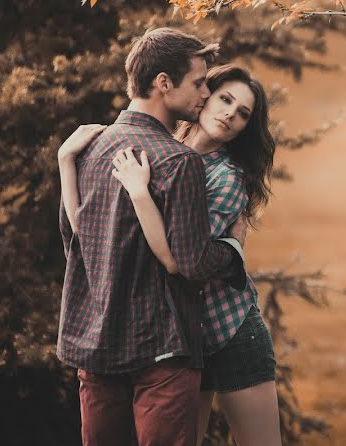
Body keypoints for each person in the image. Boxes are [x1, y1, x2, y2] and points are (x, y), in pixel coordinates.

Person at [60, 63, 281, 446]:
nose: (230, 113)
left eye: (243, 113)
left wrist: (139, 193)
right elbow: (92, 237)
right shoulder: (165, 154)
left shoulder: (226, 178)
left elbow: (178, 259)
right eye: (225, 99)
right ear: (203, 96)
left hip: (227, 332)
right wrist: (66, 163)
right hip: (178, 338)